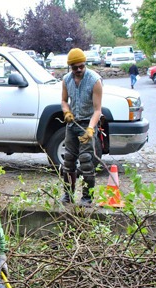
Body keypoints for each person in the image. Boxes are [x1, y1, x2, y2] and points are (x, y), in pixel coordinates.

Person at [60, 48, 103, 206]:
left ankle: (87, 198)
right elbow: (64, 101)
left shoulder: (95, 81)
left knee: (86, 161)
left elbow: (98, 110)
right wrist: (66, 112)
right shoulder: (66, 80)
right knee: (68, 161)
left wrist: (91, 129)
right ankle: (68, 195)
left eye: (81, 66)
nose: (78, 70)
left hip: (87, 123)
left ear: (85, 64)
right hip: (72, 125)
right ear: (70, 67)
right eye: (75, 67)